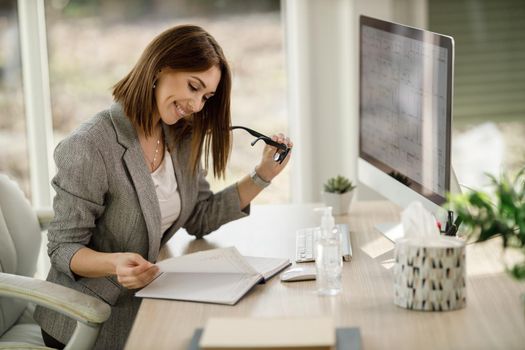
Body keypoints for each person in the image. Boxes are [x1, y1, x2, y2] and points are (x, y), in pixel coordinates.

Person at [34, 24, 292, 350]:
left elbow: (199, 216)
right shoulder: (90, 145)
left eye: (206, 96)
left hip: (150, 295)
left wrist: (263, 174)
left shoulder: (178, 135)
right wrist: (115, 263)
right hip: (89, 317)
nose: (198, 105)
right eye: (193, 87)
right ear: (160, 67)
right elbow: (62, 249)